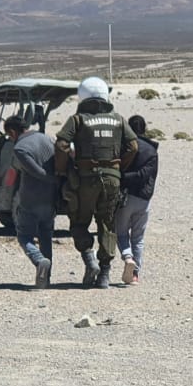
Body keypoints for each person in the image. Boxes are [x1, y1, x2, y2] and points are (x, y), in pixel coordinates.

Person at [54, 76, 138, 289]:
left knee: (79, 221)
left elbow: (62, 144)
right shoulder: (118, 119)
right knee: (107, 224)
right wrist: (118, 167)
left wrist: (63, 169)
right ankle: (104, 275)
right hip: (112, 179)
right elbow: (133, 146)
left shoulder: (78, 119)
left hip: (85, 179)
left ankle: (90, 261)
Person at [5, 114, 56, 289]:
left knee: (24, 235)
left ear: (13, 132)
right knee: (46, 236)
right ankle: (45, 279)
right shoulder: (46, 138)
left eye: (9, 136)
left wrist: (50, 179)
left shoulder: (20, 148)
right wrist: (56, 183)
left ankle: (39, 260)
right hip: (50, 198)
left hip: (30, 199)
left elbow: (37, 172)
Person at [114, 114, 157, 285]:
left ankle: (127, 257)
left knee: (121, 232)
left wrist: (122, 178)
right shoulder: (152, 150)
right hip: (144, 199)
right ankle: (134, 275)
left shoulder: (124, 147)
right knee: (138, 237)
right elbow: (147, 175)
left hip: (126, 196)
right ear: (144, 129)